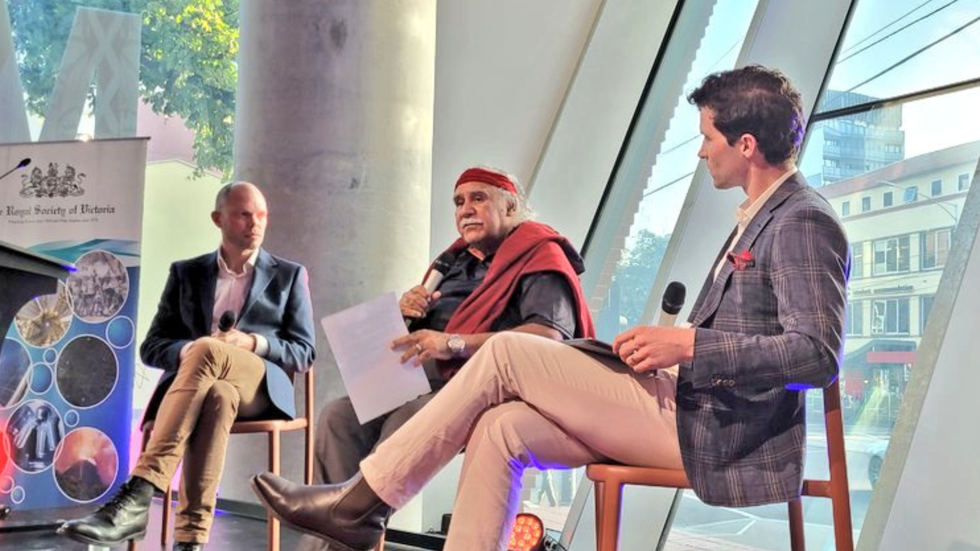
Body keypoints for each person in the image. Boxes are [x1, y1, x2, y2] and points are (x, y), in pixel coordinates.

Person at [250, 65, 850, 551]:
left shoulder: (801, 220)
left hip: (718, 434)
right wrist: (664, 355)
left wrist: (688, 345)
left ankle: (362, 503)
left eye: (708, 138)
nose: (701, 153)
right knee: (501, 427)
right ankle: (365, 507)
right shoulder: (762, 217)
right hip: (686, 403)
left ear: (745, 145)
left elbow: (816, 356)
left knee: (511, 349)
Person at [296, 166, 595, 551]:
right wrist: (405, 314)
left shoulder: (541, 255)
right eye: (458, 201)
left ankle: (347, 528)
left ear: (511, 207)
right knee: (337, 417)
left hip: (485, 385)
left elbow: (549, 337)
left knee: (408, 421)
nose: (465, 209)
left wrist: (451, 343)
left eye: (478, 198)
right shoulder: (452, 262)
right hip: (423, 378)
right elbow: (424, 337)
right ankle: (341, 537)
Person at [59, 182, 316, 551]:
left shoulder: (289, 275)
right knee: (216, 394)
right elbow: (153, 347)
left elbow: (304, 351)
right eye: (244, 214)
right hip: (205, 385)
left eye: (261, 215)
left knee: (211, 353)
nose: (255, 223)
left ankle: (139, 493)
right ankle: (190, 540)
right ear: (218, 219)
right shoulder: (187, 273)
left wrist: (252, 342)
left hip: (259, 386)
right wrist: (190, 351)